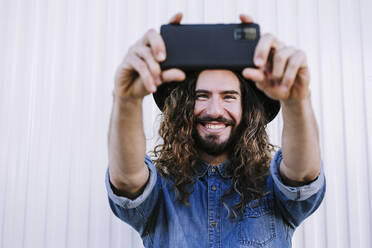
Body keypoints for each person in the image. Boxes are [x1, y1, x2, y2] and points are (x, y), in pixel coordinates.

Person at [105, 13, 326, 248]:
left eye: (229, 97)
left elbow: (302, 175)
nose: (214, 109)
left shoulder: (272, 187)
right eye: (202, 96)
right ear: (184, 107)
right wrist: (126, 100)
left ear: (247, 110)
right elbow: (127, 180)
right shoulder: (160, 191)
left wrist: (296, 101)